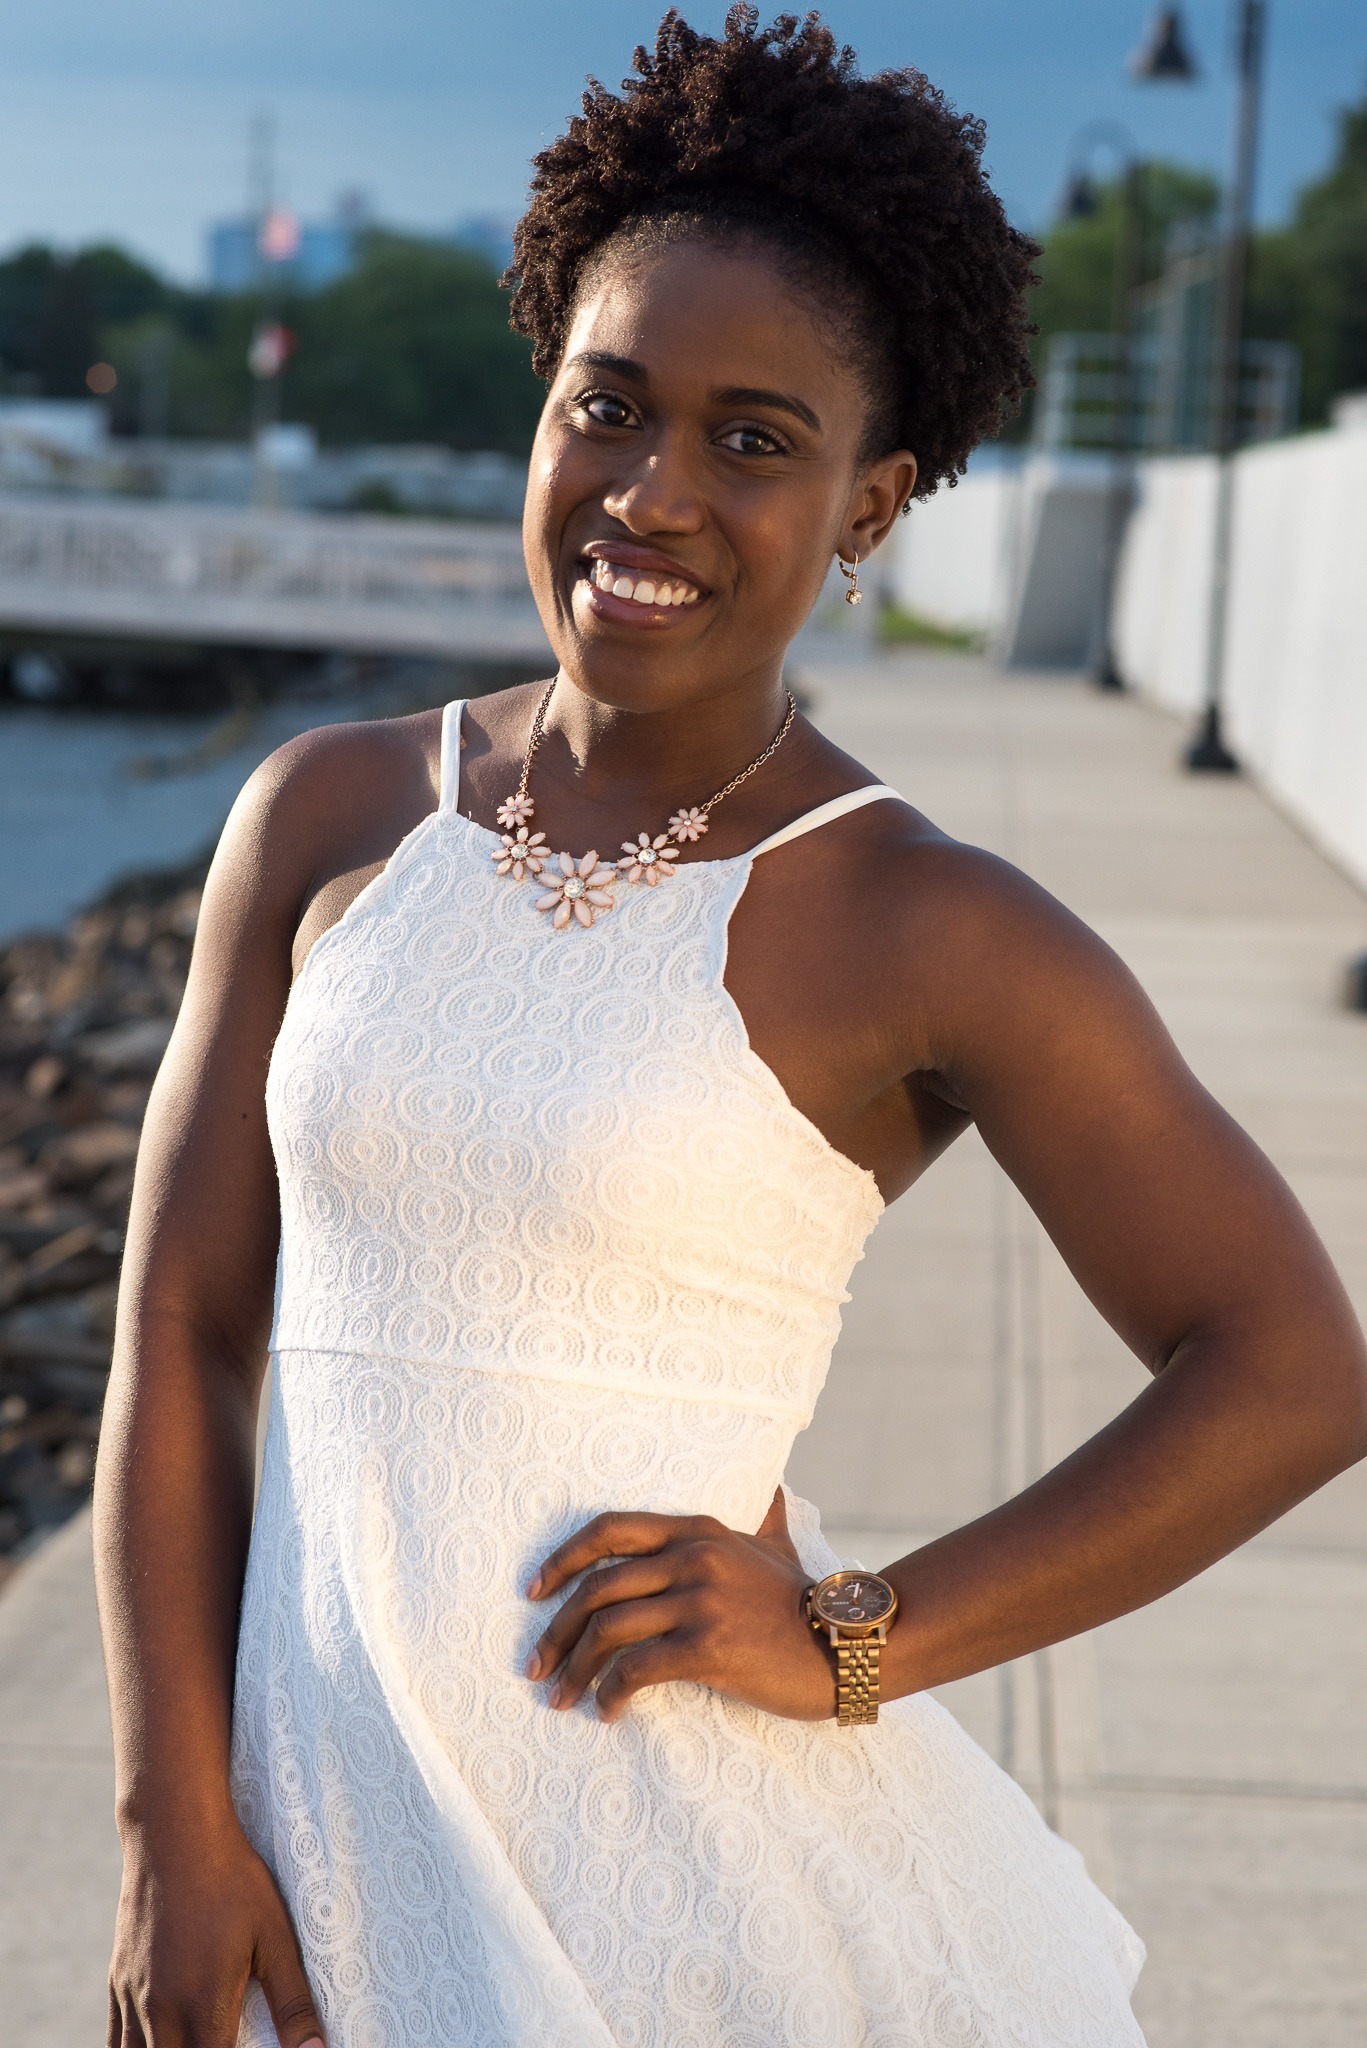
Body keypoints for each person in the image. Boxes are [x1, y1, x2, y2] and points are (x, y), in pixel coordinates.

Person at [96, 10, 1367, 2046]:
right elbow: (182, 1326)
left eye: (755, 441)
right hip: (313, 1857)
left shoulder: (929, 920)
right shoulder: (328, 813)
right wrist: (171, 1817)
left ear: (874, 505)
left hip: (691, 1906)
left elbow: (1293, 1368)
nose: (651, 493)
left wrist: (859, 1637)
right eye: (608, 408)